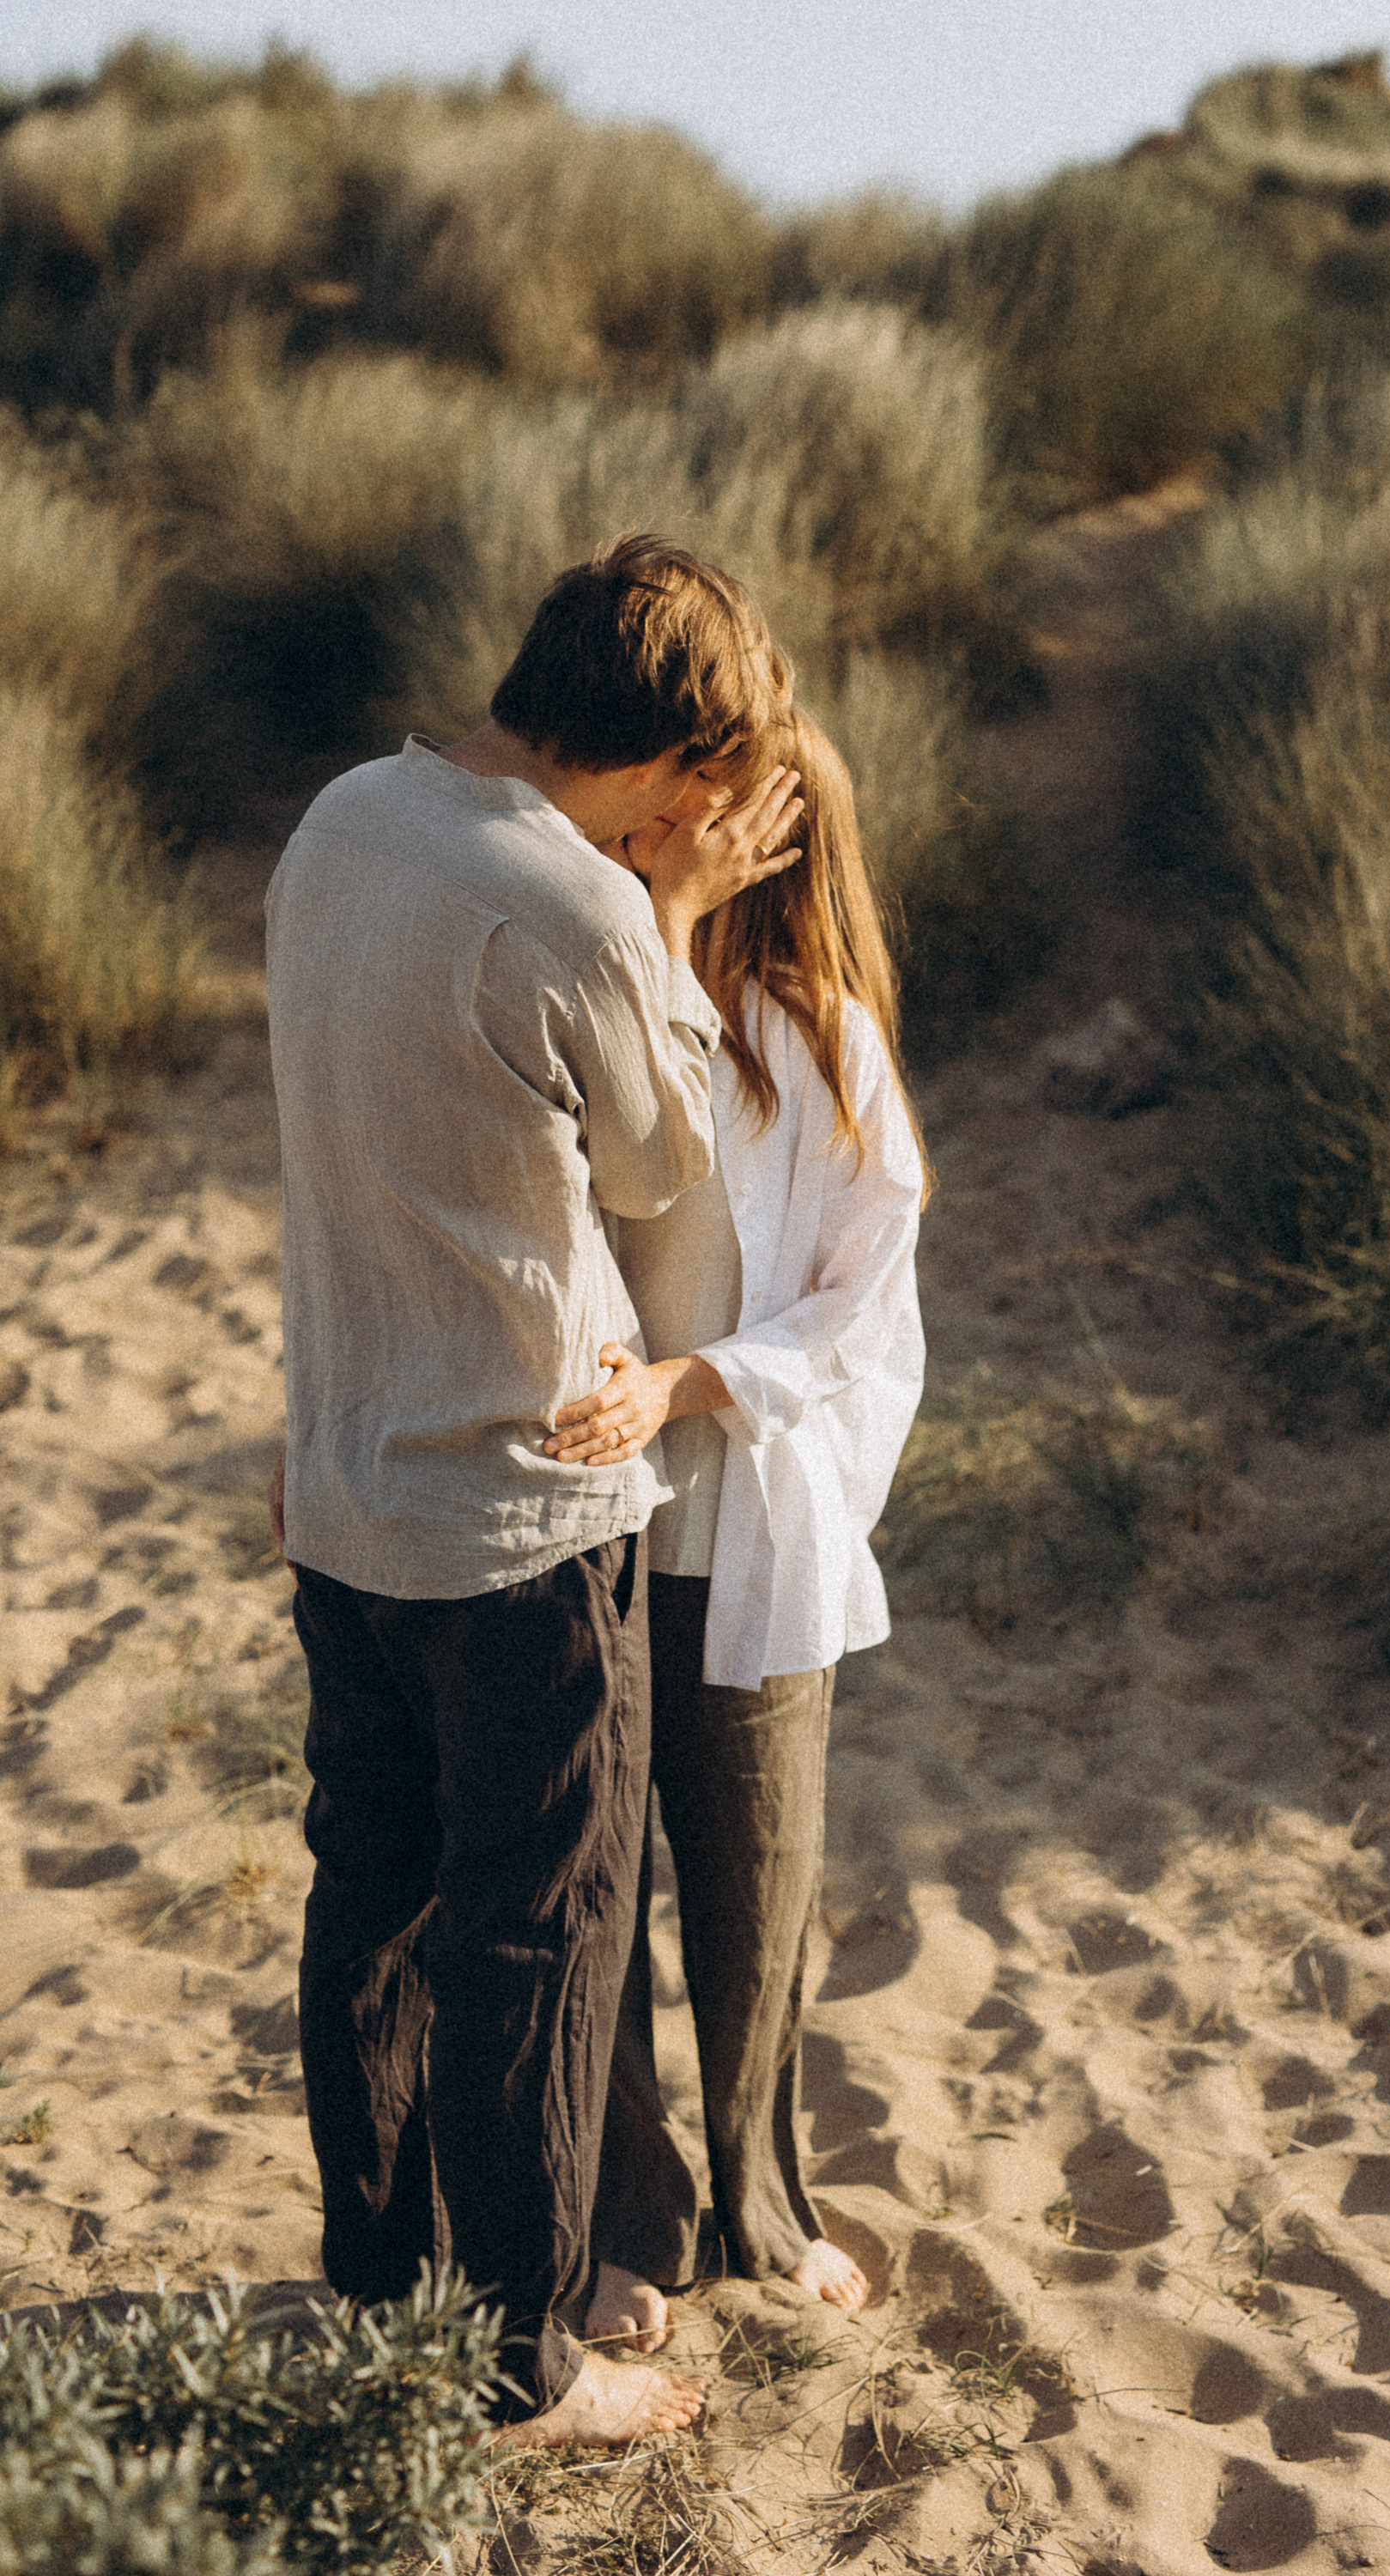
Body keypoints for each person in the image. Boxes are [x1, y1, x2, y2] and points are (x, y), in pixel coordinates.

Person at [265, 535, 800, 2449]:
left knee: (378, 1902)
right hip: (522, 1513)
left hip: (343, 1481)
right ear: (673, 762)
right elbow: (666, 1171)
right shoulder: (575, 908)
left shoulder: (339, 823)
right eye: (709, 789)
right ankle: (520, 2365)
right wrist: (662, 917)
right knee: (542, 1928)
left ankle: (384, 2297)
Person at [540, 708, 928, 2354]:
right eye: (664, 817)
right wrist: (664, 932)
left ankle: (765, 2204)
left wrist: (699, 1378)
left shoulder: (833, 1043)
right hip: (590, 1522)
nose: (666, 837)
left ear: (782, 837)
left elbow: (862, 1313)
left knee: (760, 1898)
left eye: (714, 817)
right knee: (605, 1894)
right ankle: (635, 2219)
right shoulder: (602, 998)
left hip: (757, 1532)